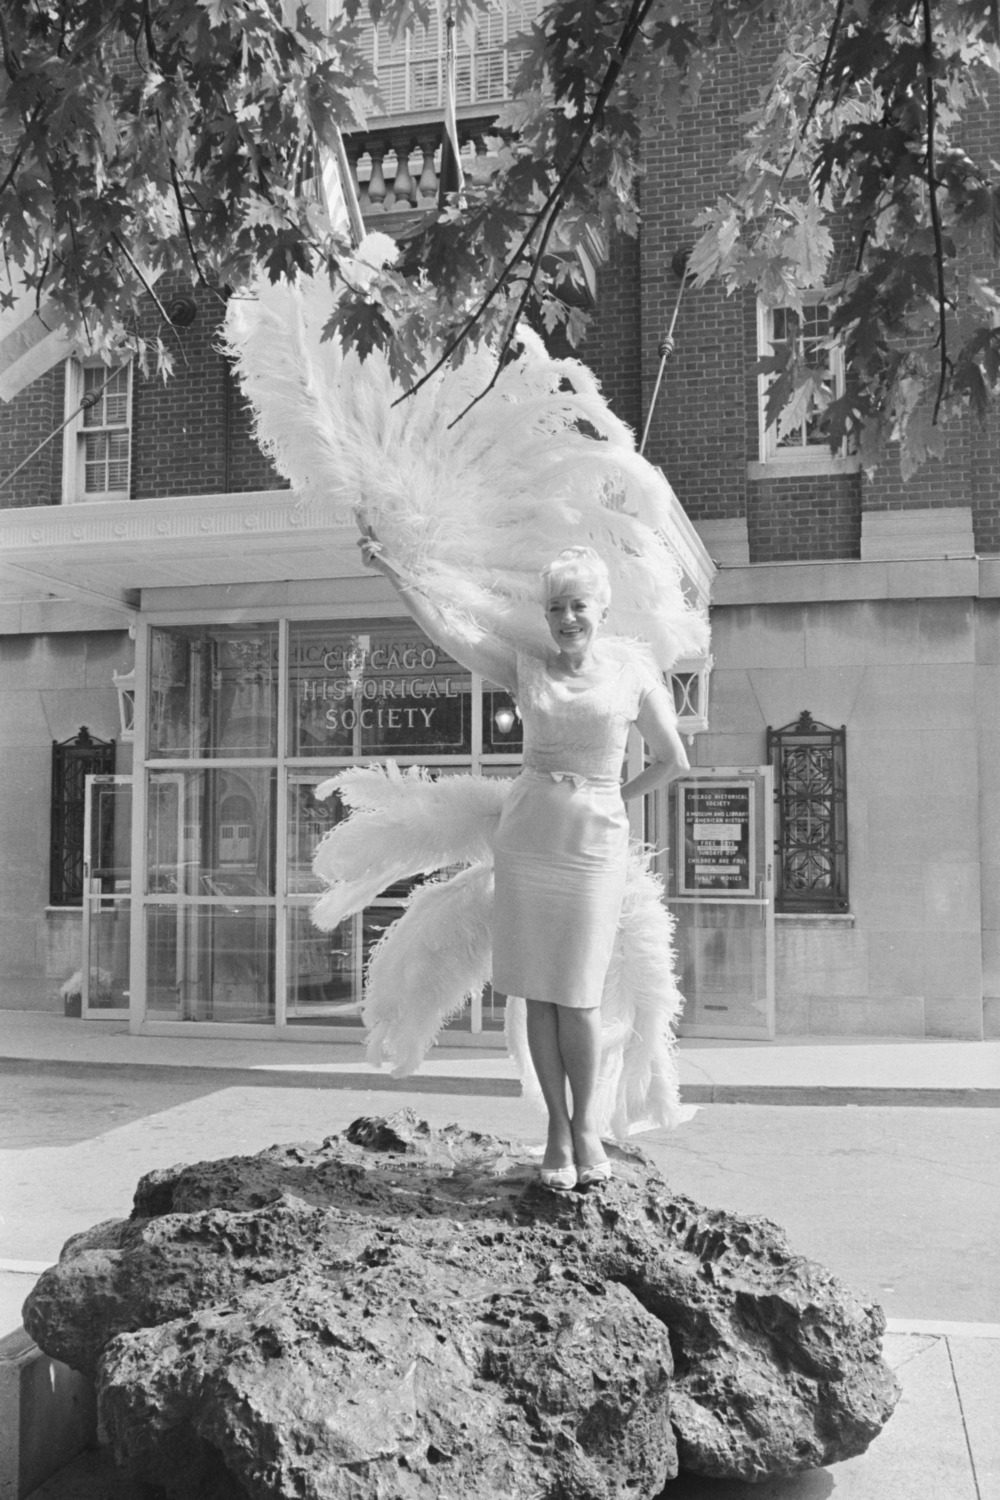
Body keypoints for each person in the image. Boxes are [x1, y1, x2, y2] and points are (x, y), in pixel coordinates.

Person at [359, 532, 690, 1190]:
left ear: (601, 607)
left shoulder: (631, 674)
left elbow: (673, 760)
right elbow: (451, 634)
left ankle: (588, 1130)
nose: (567, 619)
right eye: (557, 607)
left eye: (578, 606)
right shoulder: (528, 665)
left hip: (593, 850)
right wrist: (395, 572)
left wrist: (609, 797)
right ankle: (558, 1138)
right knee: (539, 995)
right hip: (528, 842)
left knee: (580, 996)